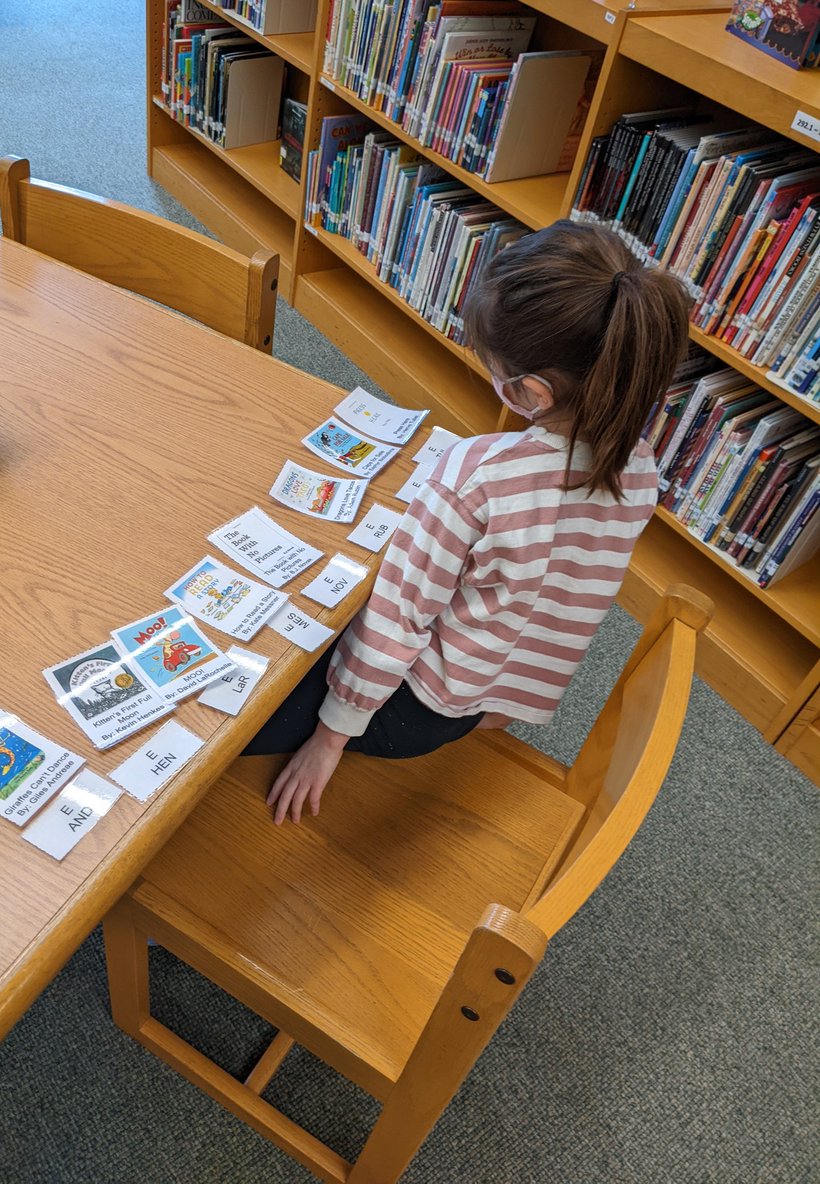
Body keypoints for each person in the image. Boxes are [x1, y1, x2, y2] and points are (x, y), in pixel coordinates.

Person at [246, 220, 691, 824]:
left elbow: (397, 621)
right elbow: (564, 597)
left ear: (531, 393)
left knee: (239, 701)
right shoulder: (639, 467)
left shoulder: (477, 476)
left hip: (412, 712)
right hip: (489, 704)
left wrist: (329, 739)